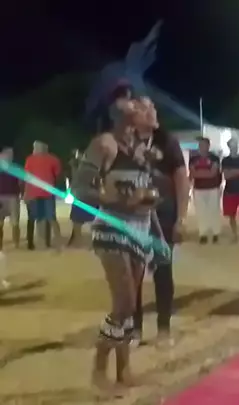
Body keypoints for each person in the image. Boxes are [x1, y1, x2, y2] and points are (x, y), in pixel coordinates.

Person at [72, 94, 163, 394]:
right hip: (112, 228)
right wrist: (115, 199)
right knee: (123, 303)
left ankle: (123, 371)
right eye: (134, 106)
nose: (140, 108)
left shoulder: (140, 148)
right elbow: (80, 188)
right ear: (121, 116)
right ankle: (98, 371)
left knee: (131, 305)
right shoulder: (104, 144)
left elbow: (144, 194)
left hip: (139, 229)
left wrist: (157, 235)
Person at [132, 96, 189, 347]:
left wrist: (181, 218)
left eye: (152, 107)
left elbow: (181, 179)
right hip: (132, 218)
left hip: (163, 216)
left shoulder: (168, 142)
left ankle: (163, 329)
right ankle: (135, 329)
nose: (152, 112)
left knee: (163, 271)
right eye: (145, 109)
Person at [24, 141, 62, 250]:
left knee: (34, 218)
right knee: (50, 217)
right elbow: (58, 175)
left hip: (35, 193)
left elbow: (27, 177)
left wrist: (26, 193)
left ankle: (32, 243)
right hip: (47, 192)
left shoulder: (30, 159)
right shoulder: (53, 159)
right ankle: (50, 241)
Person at [188, 138, 222, 244]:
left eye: (204, 145)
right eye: (200, 145)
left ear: (208, 146)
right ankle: (203, 233)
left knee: (213, 210)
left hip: (213, 188)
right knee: (201, 211)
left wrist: (199, 173)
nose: (202, 147)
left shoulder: (214, 158)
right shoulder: (193, 159)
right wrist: (206, 172)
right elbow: (193, 173)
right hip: (198, 188)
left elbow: (213, 173)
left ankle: (215, 233)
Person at [68, 148, 97, 247]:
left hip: (83, 196)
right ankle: (82, 241)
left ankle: (78, 241)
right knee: (86, 220)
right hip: (87, 195)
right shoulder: (88, 167)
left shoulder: (85, 167)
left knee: (77, 221)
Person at [0, 147, 21, 250]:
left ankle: (4, 245)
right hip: (12, 197)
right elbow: (21, 183)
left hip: (6, 196)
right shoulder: (16, 168)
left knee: (5, 222)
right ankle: (16, 244)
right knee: (14, 222)